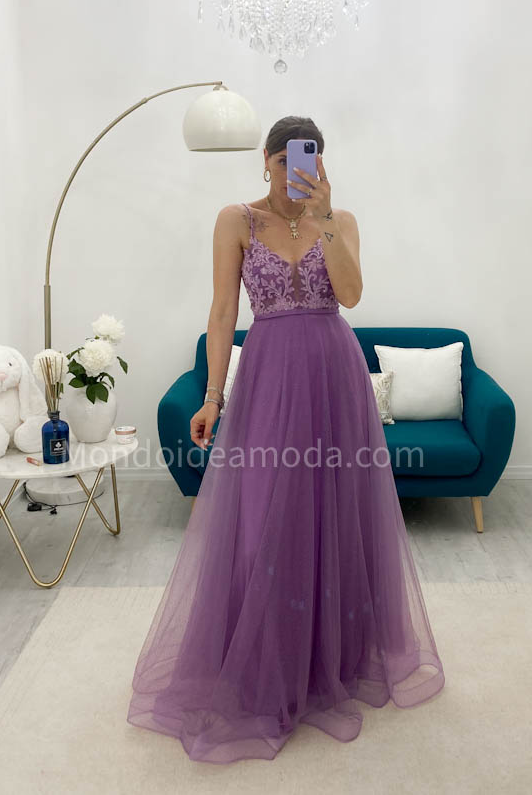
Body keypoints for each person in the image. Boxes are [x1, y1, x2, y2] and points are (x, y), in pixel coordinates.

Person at [126, 116, 445, 763]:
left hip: (334, 375)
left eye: (311, 160)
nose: (296, 173)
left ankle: (334, 658)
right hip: (269, 376)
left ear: (320, 164)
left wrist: (324, 219)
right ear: (267, 161)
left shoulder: (340, 219)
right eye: (286, 161)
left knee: (338, 514)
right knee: (263, 517)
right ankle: (263, 658)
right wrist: (212, 397)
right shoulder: (236, 220)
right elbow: (223, 311)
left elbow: (351, 295)